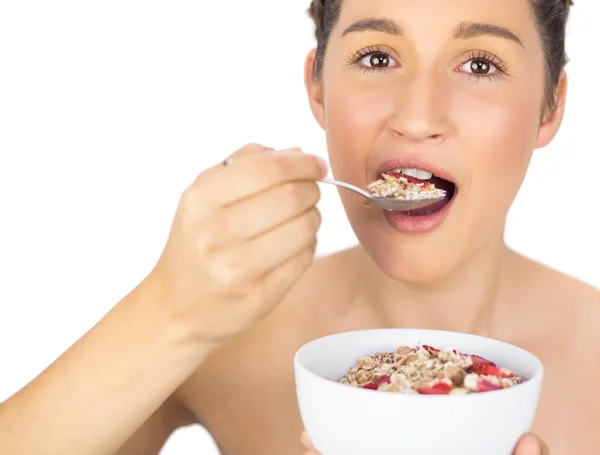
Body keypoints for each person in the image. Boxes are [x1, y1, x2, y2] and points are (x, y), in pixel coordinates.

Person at [0, 0, 598, 454]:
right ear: (316, 85)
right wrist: (169, 311)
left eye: (479, 64)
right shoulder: (224, 335)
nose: (418, 118)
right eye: (377, 57)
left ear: (551, 106)